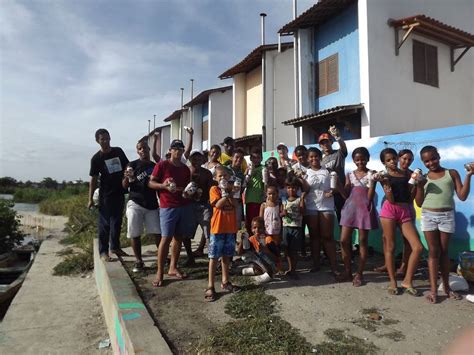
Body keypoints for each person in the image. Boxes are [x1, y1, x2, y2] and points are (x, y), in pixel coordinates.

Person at [415, 146, 472, 304]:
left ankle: (446, 287)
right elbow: (419, 203)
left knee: (444, 252)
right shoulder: (424, 178)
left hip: (447, 216)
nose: (431, 162)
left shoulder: (451, 173)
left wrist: (469, 175)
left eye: (433, 158)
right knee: (433, 252)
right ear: (423, 162)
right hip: (428, 216)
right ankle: (434, 290)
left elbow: (462, 195)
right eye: (426, 161)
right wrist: (419, 186)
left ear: (439, 156)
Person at [377, 148, 423, 296]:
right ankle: (392, 282)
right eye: (388, 160)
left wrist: (416, 183)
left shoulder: (406, 174)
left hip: (404, 212)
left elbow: (409, 197)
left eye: (394, 158)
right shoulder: (384, 176)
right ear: (384, 162)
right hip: (389, 210)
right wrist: (386, 185)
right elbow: (390, 199)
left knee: (417, 247)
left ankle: (407, 280)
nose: (392, 162)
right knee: (390, 246)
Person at [148, 139, 194, 287]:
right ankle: (160, 272)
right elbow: (150, 183)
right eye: (176, 148)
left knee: (178, 238)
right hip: (167, 206)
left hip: (184, 205)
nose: (179, 151)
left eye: (181, 148)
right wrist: (164, 186)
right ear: (170, 150)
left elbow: (186, 187)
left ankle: (173, 267)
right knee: (165, 239)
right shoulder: (162, 165)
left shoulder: (186, 169)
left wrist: (189, 192)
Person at [337, 147, 378, 286]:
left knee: (362, 242)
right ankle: (348, 271)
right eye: (357, 159)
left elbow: (370, 197)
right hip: (350, 209)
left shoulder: (372, 174)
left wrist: (373, 182)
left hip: (364, 210)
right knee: (343, 240)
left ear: (368, 159)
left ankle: (359, 274)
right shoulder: (350, 175)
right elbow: (346, 194)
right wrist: (337, 184)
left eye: (363, 159)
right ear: (354, 161)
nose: (360, 162)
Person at [88, 128, 129, 261]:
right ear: (97, 141)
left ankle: (115, 247)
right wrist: (90, 199)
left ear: (110, 138)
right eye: (102, 139)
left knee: (117, 222)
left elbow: (127, 165)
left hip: (119, 192)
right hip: (105, 195)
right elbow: (93, 180)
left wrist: (127, 173)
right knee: (104, 224)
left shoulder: (118, 151)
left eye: (107, 138)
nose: (105, 141)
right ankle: (103, 252)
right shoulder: (96, 159)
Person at [122, 140, 161, 272]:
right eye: (139, 148)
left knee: (157, 232)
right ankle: (139, 261)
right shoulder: (132, 165)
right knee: (134, 232)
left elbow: (159, 186)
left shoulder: (155, 166)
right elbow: (125, 186)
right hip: (135, 203)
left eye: (144, 147)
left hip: (151, 204)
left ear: (148, 149)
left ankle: (162, 257)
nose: (142, 150)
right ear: (137, 151)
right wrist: (127, 178)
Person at [374, 149, 415, 274]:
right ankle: (388, 264)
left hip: (405, 208)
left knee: (407, 240)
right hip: (390, 209)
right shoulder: (387, 175)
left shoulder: (410, 175)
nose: (406, 162)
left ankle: (403, 266)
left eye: (409, 159)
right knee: (386, 239)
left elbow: (410, 195)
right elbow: (389, 195)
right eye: (404, 158)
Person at [205, 166, 241, 302]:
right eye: (220, 176)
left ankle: (226, 281)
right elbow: (218, 205)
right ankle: (210, 285)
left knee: (226, 256)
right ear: (215, 178)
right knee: (213, 257)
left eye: (225, 175)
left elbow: (235, 204)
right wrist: (226, 193)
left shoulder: (233, 189)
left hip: (230, 228)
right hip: (217, 228)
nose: (223, 178)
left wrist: (230, 192)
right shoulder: (214, 189)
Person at [304, 147, 342, 275]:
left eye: (316, 156)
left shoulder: (328, 171)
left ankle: (334, 266)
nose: (314, 159)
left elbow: (337, 188)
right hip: (311, 207)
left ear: (320, 157)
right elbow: (305, 190)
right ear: (308, 159)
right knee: (314, 237)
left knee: (327, 237)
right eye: (311, 157)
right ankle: (316, 264)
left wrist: (332, 192)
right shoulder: (305, 173)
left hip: (326, 207)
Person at [184, 150, 214, 259]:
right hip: (188, 206)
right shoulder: (185, 171)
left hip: (204, 206)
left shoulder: (207, 173)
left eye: (199, 158)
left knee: (209, 231)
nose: (196, 161)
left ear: (203, 160)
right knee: (186, 233)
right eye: (194, 158)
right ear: (190, 159)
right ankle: (190, 256)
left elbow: (211, 190)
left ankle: (213, 257)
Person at [238, 217, 280, 284]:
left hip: (273, 266)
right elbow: (240, 253)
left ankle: (269, 274)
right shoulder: (251, 239)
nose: (257, 230)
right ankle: (258, 270)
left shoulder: (268, 239)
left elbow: (277, 259)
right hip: (262, 263)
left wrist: (266, 251)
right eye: (254, 228)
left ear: (264, 228)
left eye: (260, 228)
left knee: (259, 253)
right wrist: (242, 241)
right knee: (246, 256)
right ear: (251, 229)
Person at [319, 126, 348, 223]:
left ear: (331, 142)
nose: (325, 144)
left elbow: (343, 147)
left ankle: (345, 238)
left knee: (343, 219)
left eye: (327, 141)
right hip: (329, 194)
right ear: (320, 146)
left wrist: (338, 136)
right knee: (329, 220)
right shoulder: (321, 161)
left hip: (341, 192)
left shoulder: (339, 154)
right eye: (322, 143)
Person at [280, 175, 305, 278]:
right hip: (286, 227)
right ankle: (290, 269)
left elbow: (303, 211)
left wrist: (302, 199)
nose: (291, 190)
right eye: (289, 187)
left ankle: (294, 270)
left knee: (294, 250)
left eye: (294, 187)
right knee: (287, 249)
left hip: (296, 227)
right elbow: (280, 213)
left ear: (297, 189)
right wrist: (283, 213)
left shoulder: (299, 200)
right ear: (286, 189)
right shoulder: (284, 200)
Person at [226, 148, 246, 230]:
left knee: (235, 227)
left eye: (241, 158)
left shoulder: (242, 174)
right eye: (237, 157)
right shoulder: (225, 169)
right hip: (225, 202)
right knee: (226, 225)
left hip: (236, 203)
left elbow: (241, 190)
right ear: (232, 158)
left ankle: (233, 242)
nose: (239, 160)